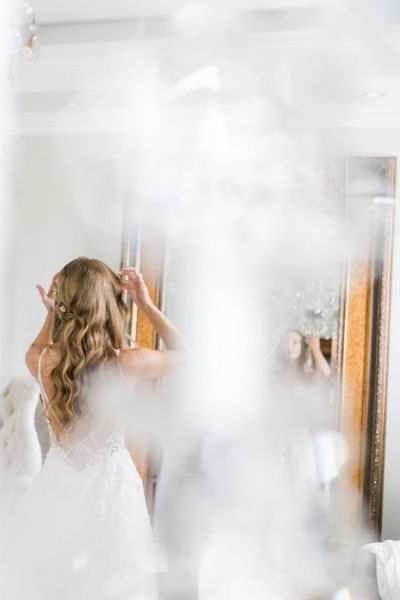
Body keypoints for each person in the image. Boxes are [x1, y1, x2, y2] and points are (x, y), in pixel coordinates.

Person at [2, 257, 183, 600]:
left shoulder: (39, 361)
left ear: (65, 302)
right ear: (108, 304)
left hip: (56, 487)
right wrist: (145, 303)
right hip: (114, 492)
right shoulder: (127, 362)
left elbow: (42, 345)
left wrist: (52, 310)